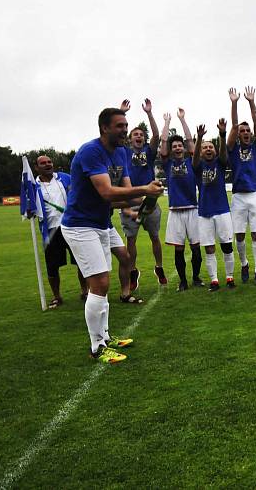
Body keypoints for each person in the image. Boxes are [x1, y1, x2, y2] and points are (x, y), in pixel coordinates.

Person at [61, 107, 164, 363]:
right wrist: (145, 190)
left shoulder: (121, 152)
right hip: (80, 225)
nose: (125, 130)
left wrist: (140, 202)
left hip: (101, 224)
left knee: (114, 271)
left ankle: (105, 337)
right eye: (119, 125)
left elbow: (127, 192)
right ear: (104, 128)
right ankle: (97, 348)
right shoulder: (91, 151)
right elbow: (107, 192)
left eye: (126, 125)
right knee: (100, 284)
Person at [120, 98, 167, 287]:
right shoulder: (123, 151)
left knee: (155, 237)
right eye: (135, 134)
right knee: (131, 240)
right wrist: (122, 112)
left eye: (141, 134)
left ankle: (159, 267)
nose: (138, 136)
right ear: (130, 139)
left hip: (150, 201)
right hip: (130, 200)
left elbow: (156, 134)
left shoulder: (148, 151)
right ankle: (132, 271)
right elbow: (119, 133)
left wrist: (149, 113)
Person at [34, 154, 87, 308]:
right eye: (43, 163)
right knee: (52, 266)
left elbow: (79, 192)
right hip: (50, 230)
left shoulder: (65, 178)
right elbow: (28, 206)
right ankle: (57, 296)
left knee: (80, 261)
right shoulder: (33, 185)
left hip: (71, 225)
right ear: (37, 168)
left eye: (49, 162)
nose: (47, 164)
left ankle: (85, 291)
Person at [159, 109, 204, 291]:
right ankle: (183, 281)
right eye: (174, 146)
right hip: (175, 211)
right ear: (171, 150)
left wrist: (183, 119)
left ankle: (196, 277)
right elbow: (162, 144)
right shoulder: (168, 163)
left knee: (195, 248)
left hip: (193, 209)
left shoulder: (191, 163)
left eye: (180, 146)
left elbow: (192, 143)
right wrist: (167, 123)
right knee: (178, 249)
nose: (178, 148)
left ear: (184, 148)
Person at [227, 87, 256, 288]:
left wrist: (252, 102)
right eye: (241, 131)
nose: (244, 133)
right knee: (240, 235)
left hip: (255, 195)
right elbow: (233, 127)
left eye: (246, 131)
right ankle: (244, 264)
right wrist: (234, 102)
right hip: (238, 197)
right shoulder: (233, 149)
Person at [193, 118, 236, 291]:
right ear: (201, 151)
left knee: (226, 246)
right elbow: (194, 158)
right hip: (204, 212)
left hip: (222, 211)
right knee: (209, 248)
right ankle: (214, 280)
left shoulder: (219, 162)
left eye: (211, 146)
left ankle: (230, 277)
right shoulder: (198, 165)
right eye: (205, 147)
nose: (208, 149)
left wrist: (222, 134)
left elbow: (224, 154)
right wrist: (199, 138)